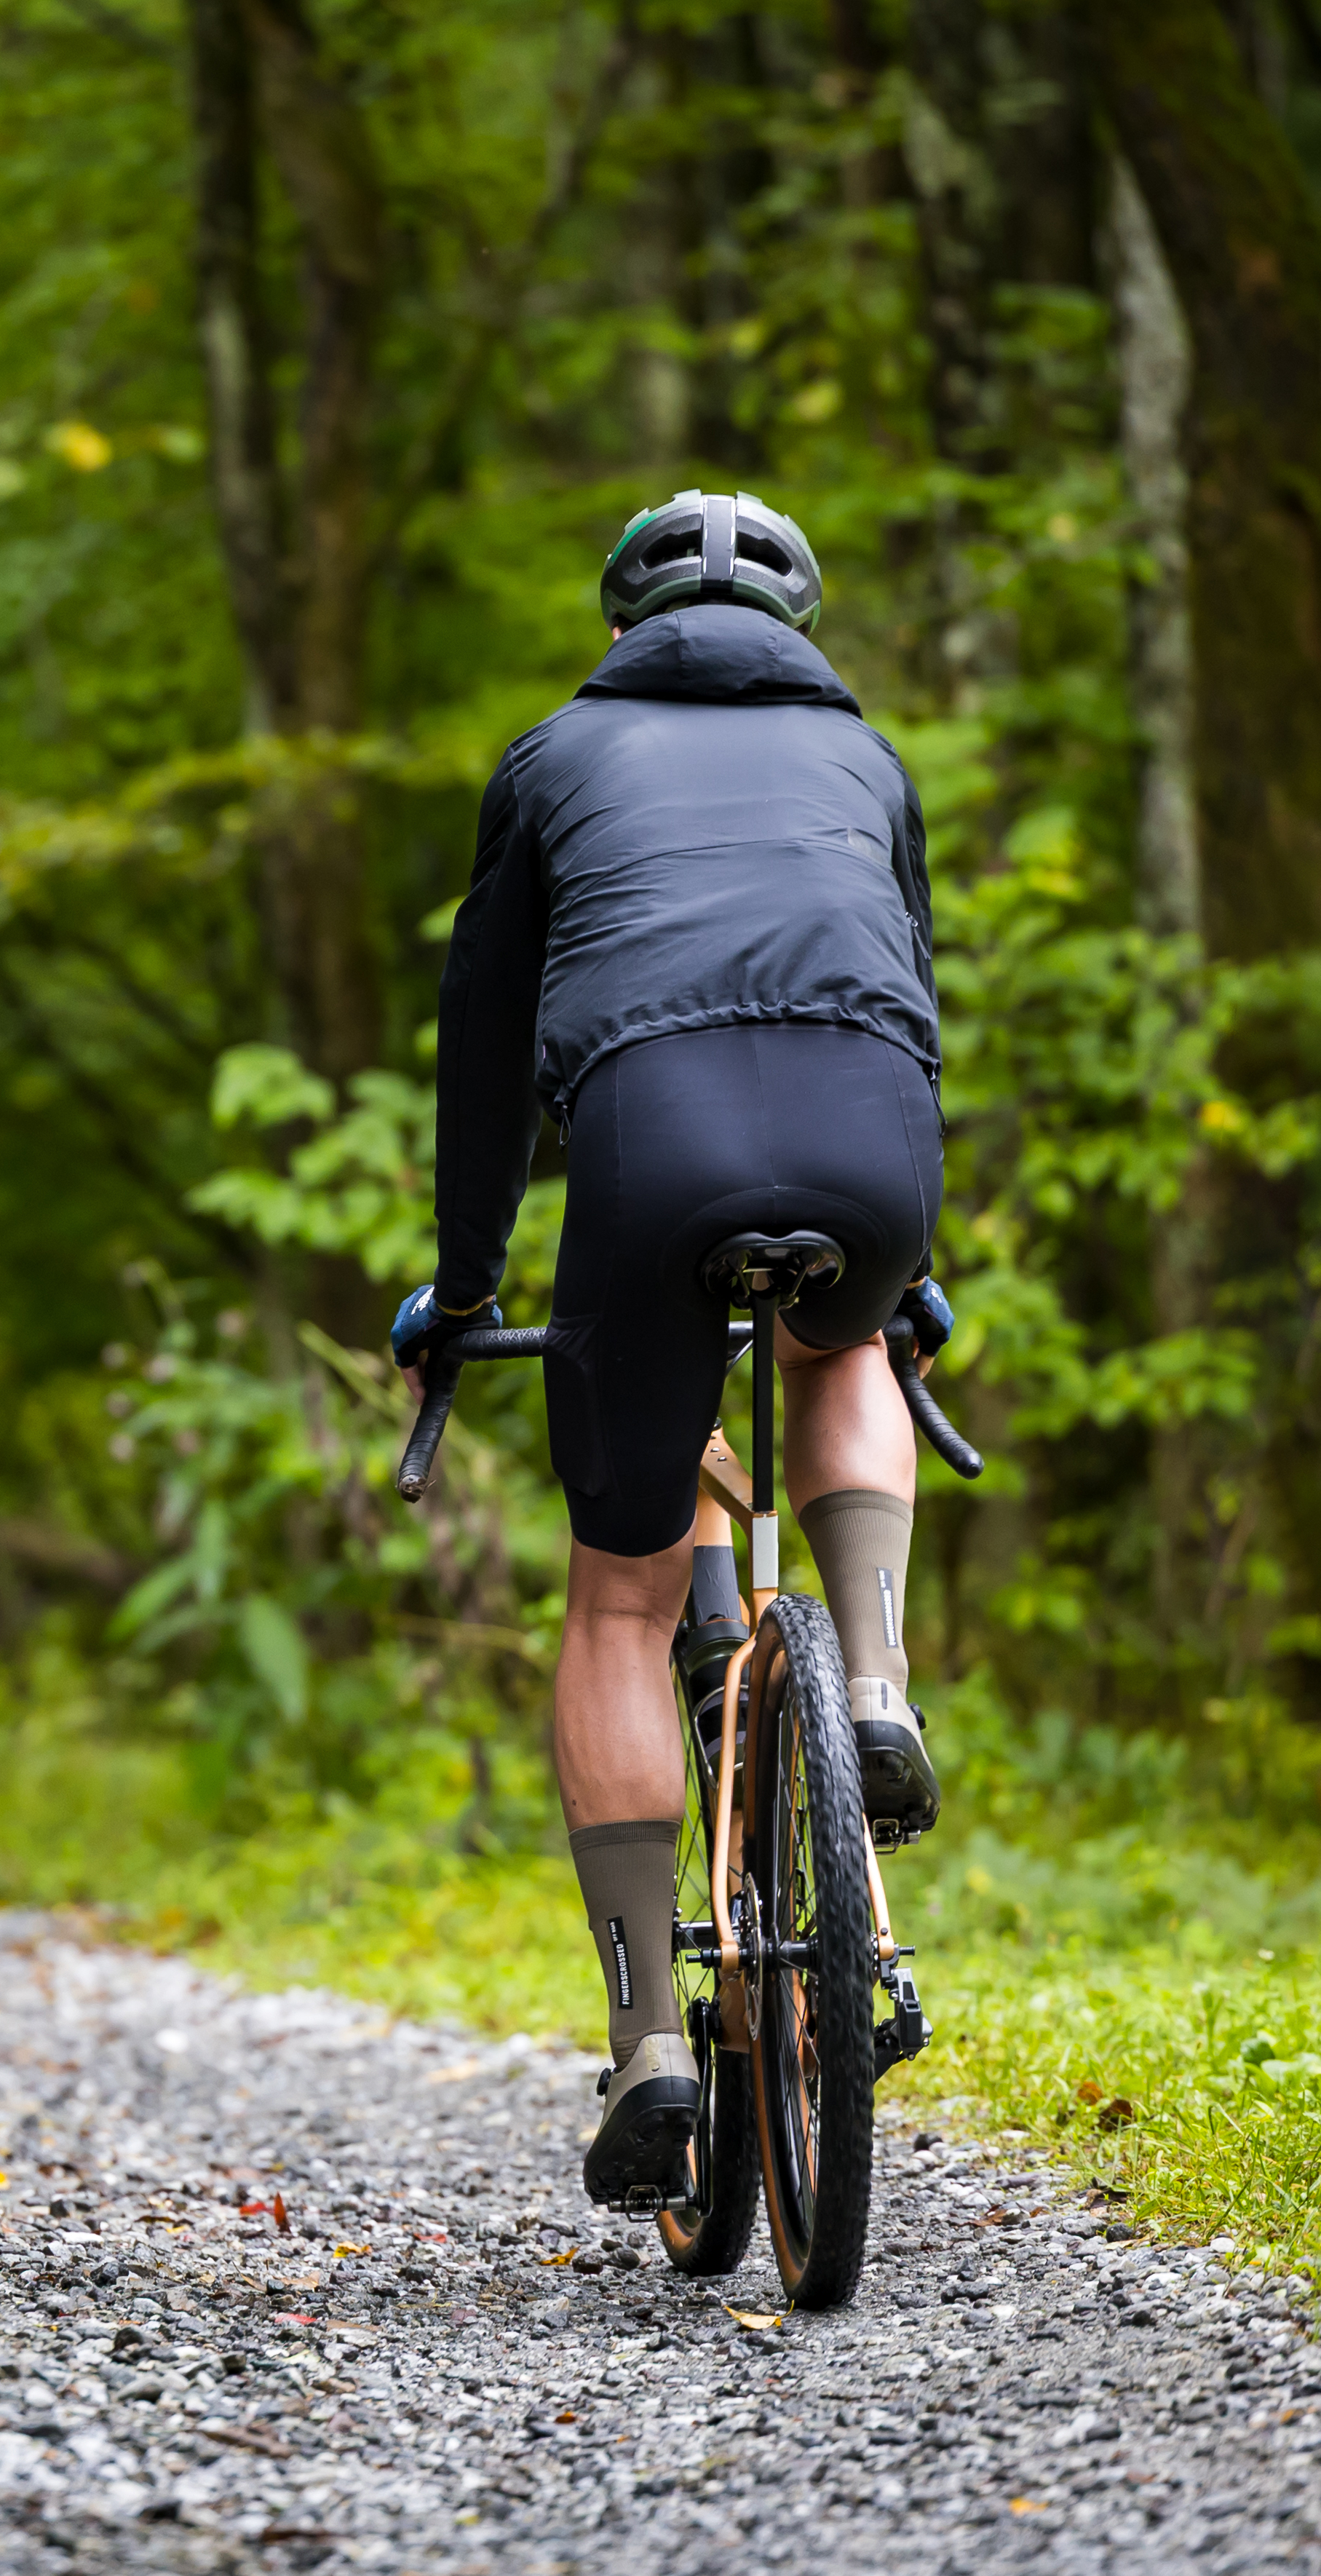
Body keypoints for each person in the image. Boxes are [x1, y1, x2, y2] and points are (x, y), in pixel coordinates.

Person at [392, 488, 953, 2211]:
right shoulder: (869, 764)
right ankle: (869, 1681)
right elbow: (907, 993)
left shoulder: (552, 757)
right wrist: (911, 1258)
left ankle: (647, 2037)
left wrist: (468, 1284)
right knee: (839, 1342)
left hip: (652, 1138)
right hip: (877, 1133)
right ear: (802, 623)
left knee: (623, 1602)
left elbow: (483, 1047)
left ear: (623, 622)